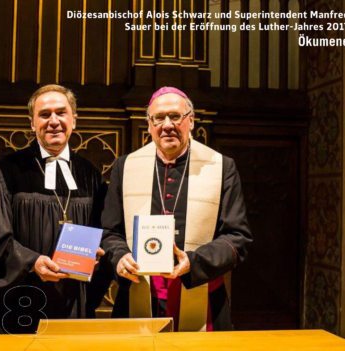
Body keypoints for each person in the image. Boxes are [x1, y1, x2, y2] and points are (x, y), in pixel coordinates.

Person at [101, 87, 252, 331]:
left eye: (176, 116)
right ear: (149, 125)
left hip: (201, 294)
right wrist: (119, 257)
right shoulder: (125, 166)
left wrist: (193, 262)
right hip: (139, 293)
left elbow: (238, 237)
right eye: (159, 118)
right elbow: (110, 231)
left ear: (191, 120)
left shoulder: (221, 167)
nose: (167, 125)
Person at [0, 84, 109, 334]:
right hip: (20, 299)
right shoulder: (6, 170)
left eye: (61, 113)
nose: (54, 121)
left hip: (73, 301)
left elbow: (104, 232)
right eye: (44, 115)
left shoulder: (90, 175)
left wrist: (98, 254)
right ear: (32, 123)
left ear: (74, 120)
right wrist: (32, 262)